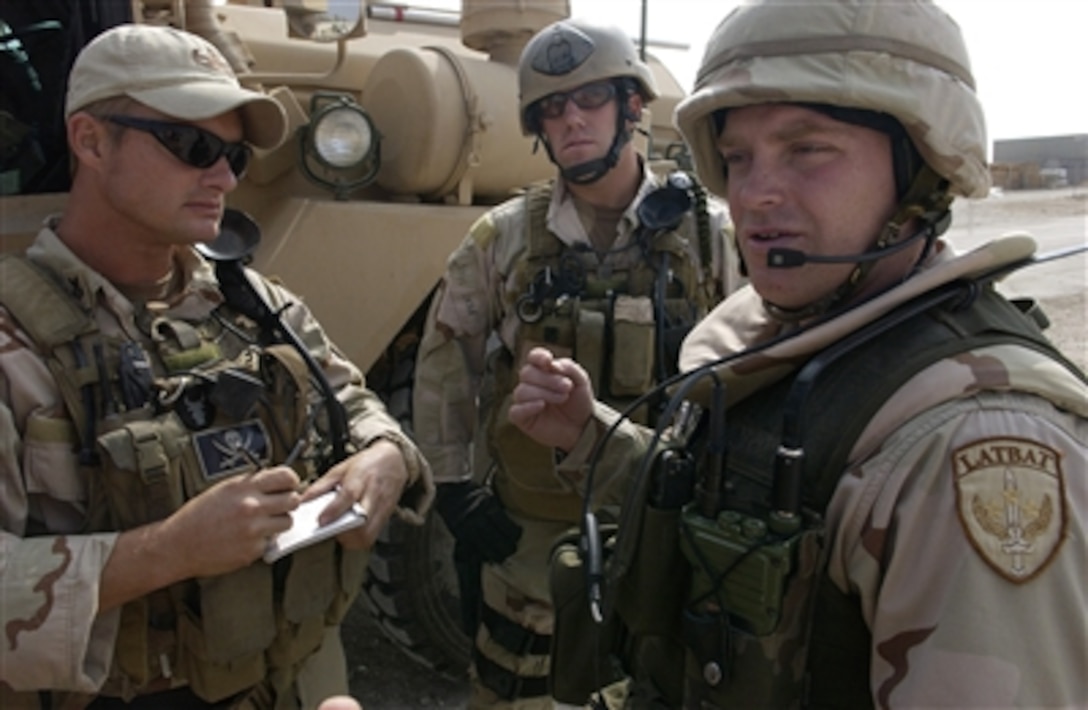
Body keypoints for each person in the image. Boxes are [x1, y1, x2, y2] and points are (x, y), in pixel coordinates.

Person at [509, 1, 1087, 707]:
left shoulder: (971, 444)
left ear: (921, 167)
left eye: (807, 149)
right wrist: (590, 434)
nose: (754, 195)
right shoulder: (794, 333)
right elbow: (729, 510)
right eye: (737, 158)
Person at [0, 24, 433, 709]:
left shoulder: (253, 304)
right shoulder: (16, 345)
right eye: (192, 145)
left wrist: (385, 458)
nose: (225, 176)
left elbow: (355, 401)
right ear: (89, 140)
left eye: (233, 153)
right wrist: (168, 549)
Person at [412, 17, 741, 708]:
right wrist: (452, 488)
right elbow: (449, 365)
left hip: (667, 527)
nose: (571, 121)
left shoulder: (710, 236)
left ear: (631, 106)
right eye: (553, 109)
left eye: (589, 100)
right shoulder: (500, 238)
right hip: (530, 542)